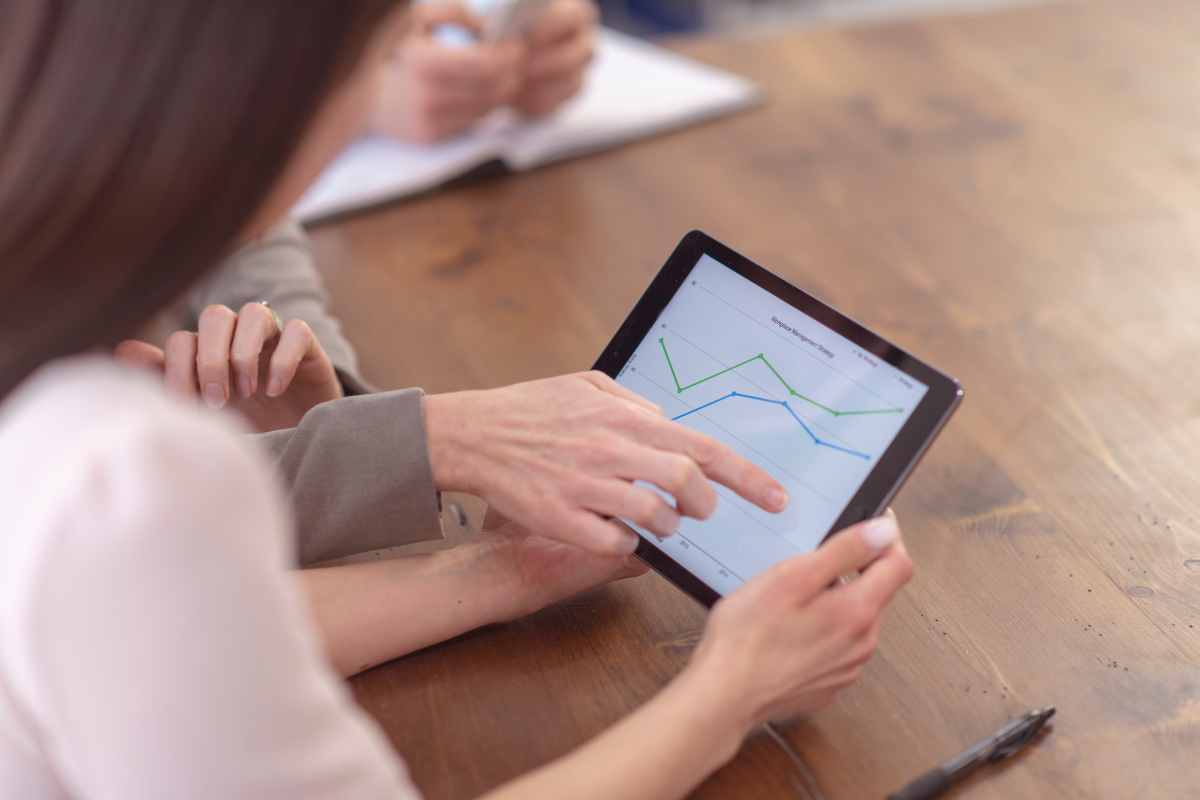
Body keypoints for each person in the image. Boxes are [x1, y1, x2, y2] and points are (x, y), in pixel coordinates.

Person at [0, 2, 914, 799]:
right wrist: (730, 694)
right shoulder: (124, 466)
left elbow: (177, 641)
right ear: (275, 90)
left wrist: (500, 573)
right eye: (389, 42)